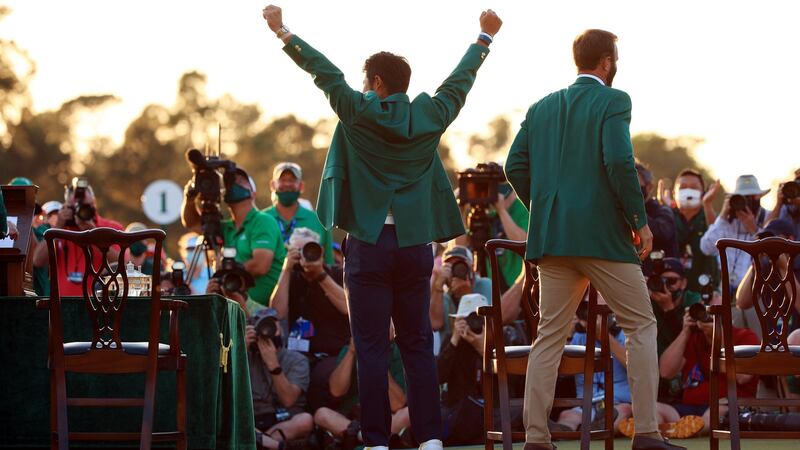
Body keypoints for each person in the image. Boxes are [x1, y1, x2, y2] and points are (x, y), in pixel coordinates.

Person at [262, 5, 502, 450]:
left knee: (370, 347)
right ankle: (430, 440)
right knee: (416, 346)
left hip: (369, 245)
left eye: (364, 81)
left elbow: (323, 72)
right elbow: (459, 83)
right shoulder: (429, 113)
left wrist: (282, 31)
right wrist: (483, 39)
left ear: (374, 83)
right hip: (413, 246)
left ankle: (375, 442)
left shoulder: (357, 110)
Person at [505, 29, 683, 450]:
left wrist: (546, 210)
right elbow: (620, 161)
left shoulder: (540, 107)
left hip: (553, 241)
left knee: (549, 336)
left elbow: (514, 165)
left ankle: (536, 438)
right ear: (606, 61)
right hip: (604, 239)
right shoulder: (614, 100)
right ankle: (646, 433)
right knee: (641, 326)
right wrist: (639, 221)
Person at [270, 227, 349, 411]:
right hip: (298, 354)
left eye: (310, 250)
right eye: (299, 252)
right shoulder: (291, 279)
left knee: (321, 378)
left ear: (320, 251)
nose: (306, 257)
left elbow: (347, 307)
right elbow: (277, 313)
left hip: (335, 354)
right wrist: (286, 269)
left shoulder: (337, 274)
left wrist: (320, 275)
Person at [181, 167, 286, 305]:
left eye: (241, 181)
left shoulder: (262, 220)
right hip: (234, 308)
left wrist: (223, 276)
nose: (234, 184)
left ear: (252, 193)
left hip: (264, 313)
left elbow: (260, 265)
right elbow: (192, 223)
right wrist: (190, 196)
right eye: (229, 182)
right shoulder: (226, 228)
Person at [659, 309, 759, 433]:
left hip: (727, 405)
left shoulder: (745, 336)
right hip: (688, 408)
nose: (708, 313)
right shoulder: (693, 337)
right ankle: (667, 429)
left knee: (715, 412)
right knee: (655, 409)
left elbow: (743, 376)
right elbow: (665, 372)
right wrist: (685, 331)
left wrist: (719, 337)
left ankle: (682, 429)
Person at [314, 331, 410, 450]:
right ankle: (364, 437)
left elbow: (398, 404)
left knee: (408, 414)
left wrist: (377, 360)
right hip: (351, 419)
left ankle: (359, 438)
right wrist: (351, 351)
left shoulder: (398, 351)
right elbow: (336, 391)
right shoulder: (349, 349)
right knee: (321, 414)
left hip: (385, 417)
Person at [700, 174, 771, 332]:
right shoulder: (726, 222)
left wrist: (754, 229)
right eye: (741, 198)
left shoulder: (767, 217)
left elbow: (771, 253)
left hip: (757, 295)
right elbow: (706, 247)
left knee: (760, 344)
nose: (744, 203)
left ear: (758, 197)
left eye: (749, 197)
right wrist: (723, 218)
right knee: (735, 346)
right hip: (728, 294)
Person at [31, 177, 124, 296]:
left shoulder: (111, 227)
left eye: (85, 206)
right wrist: (58, 227)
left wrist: (93, 232)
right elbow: (37, 261)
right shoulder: (59, 231)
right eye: (75, 207)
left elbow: (121, 262)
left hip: (101, 305)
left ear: (94, 203)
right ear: (66, 206)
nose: (80, 211)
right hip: (62, 306)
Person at [246, 308, 314, 449]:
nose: (267, 331)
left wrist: (273, 365)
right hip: (252, 420)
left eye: (271, 325)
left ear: (281, 330)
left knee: (305, 420)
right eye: (261, 326)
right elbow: (224, 391)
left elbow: (288, 400)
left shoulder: (297, 360)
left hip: (284, 419)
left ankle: (260, 443)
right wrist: (240, 349)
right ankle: (273, 446)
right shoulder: (245, 356)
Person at [264, 162, 335, 265]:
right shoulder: (261, 220)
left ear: (301, 186)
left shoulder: (319, 221)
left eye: (292, 180)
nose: (287, 184)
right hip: (270, 281)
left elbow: (328, 263)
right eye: (282, 180)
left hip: (309, 280)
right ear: (272, 185)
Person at [665, 169, 721, 295]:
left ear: (703, 193)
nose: (688, 191)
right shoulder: (665, 217)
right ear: (675, 193)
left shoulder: (712, 217)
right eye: (683, 187)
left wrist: (707, 205)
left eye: (694, 187)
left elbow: (716, 237)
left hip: (705, 292)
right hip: (669, 292)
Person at [636, 162, 679, 263]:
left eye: (634, 184)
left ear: (649, 187)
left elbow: (661, 232)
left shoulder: (663, 211)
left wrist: (633, 209)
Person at [32, 201, 62, 295]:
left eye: (58, 214)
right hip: (44, 292)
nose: (55, 217)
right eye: (51, 214)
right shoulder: (40, 231)